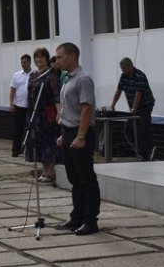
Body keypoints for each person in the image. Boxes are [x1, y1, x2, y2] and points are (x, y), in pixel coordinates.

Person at [53, 42, 99, 235]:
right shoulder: (67, 78)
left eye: (61, 56)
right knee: (74, 178)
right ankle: (76, 217)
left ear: (73, 56)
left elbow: (86, 108)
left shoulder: (83, 79)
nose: (57, 61)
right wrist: (63, 133)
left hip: (81, 133)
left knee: (86, 178)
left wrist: (80, 136)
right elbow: (68, 107)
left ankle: (91, 220)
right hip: (68, 131)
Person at [25, 47, 60, 183]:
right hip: (34, 114)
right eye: (37, 57)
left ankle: (50, 171)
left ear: (46, 58)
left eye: (42, 57)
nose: (39, 59)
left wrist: (59, 113)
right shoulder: (33, 75)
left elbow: (57, 95)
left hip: (47, 114)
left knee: (48, 143)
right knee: (38, 142)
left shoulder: (51, 75)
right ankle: (44, 170)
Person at [109, 57, 156, 161]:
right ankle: (142, 151)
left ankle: (148, 153)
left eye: (124, 68)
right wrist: (112, 105)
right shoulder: (123, 76)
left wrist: (134, 108)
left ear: (130, 66)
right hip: (134, 107)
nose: (123, 70)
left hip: (145, 106)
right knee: (128, 129)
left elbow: (138, 94)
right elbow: (119, 91)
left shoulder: (139, 76)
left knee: (144, 129)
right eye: (121, 68)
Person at [8, 54, 31, 158]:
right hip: (18, 106)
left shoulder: (34, 75)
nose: (23, 64)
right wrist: (11, 104)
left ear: (29, 62)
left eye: (25, 62)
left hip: (30, 107)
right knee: (17, 129)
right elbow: (12, 90)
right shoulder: (16, 75)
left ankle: (29, 150)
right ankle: (15, 150)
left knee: (29, 129)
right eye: (22, 62)